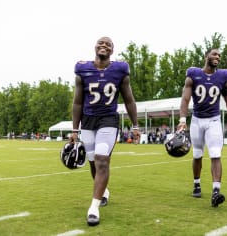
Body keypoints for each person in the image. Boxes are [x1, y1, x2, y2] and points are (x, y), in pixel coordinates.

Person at [71, 36, 140, 226]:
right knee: (93, 161)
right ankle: (104, 191)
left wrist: (135, 126)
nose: (104, 45)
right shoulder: (82, 69)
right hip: (88, 120)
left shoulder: (120, 70)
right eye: (101, 43)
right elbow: (77, 102)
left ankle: (93, 208)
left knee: (102, 159)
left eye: (108, 44)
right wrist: (74, 129)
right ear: (94, 47)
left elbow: (129, 100)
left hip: (108, 120)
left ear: (112, 50)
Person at [177, 48, 227, 207]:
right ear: (206, 56)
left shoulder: (223, 76)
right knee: (198, 154)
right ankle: (197, 183)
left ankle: (216, 191)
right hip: (197, 120)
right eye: (215, 54)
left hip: (213, 120)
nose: (218, 57)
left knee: (215, 153)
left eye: (220, 55)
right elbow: (185, 99)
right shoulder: (193, 73)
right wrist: (182, 119)